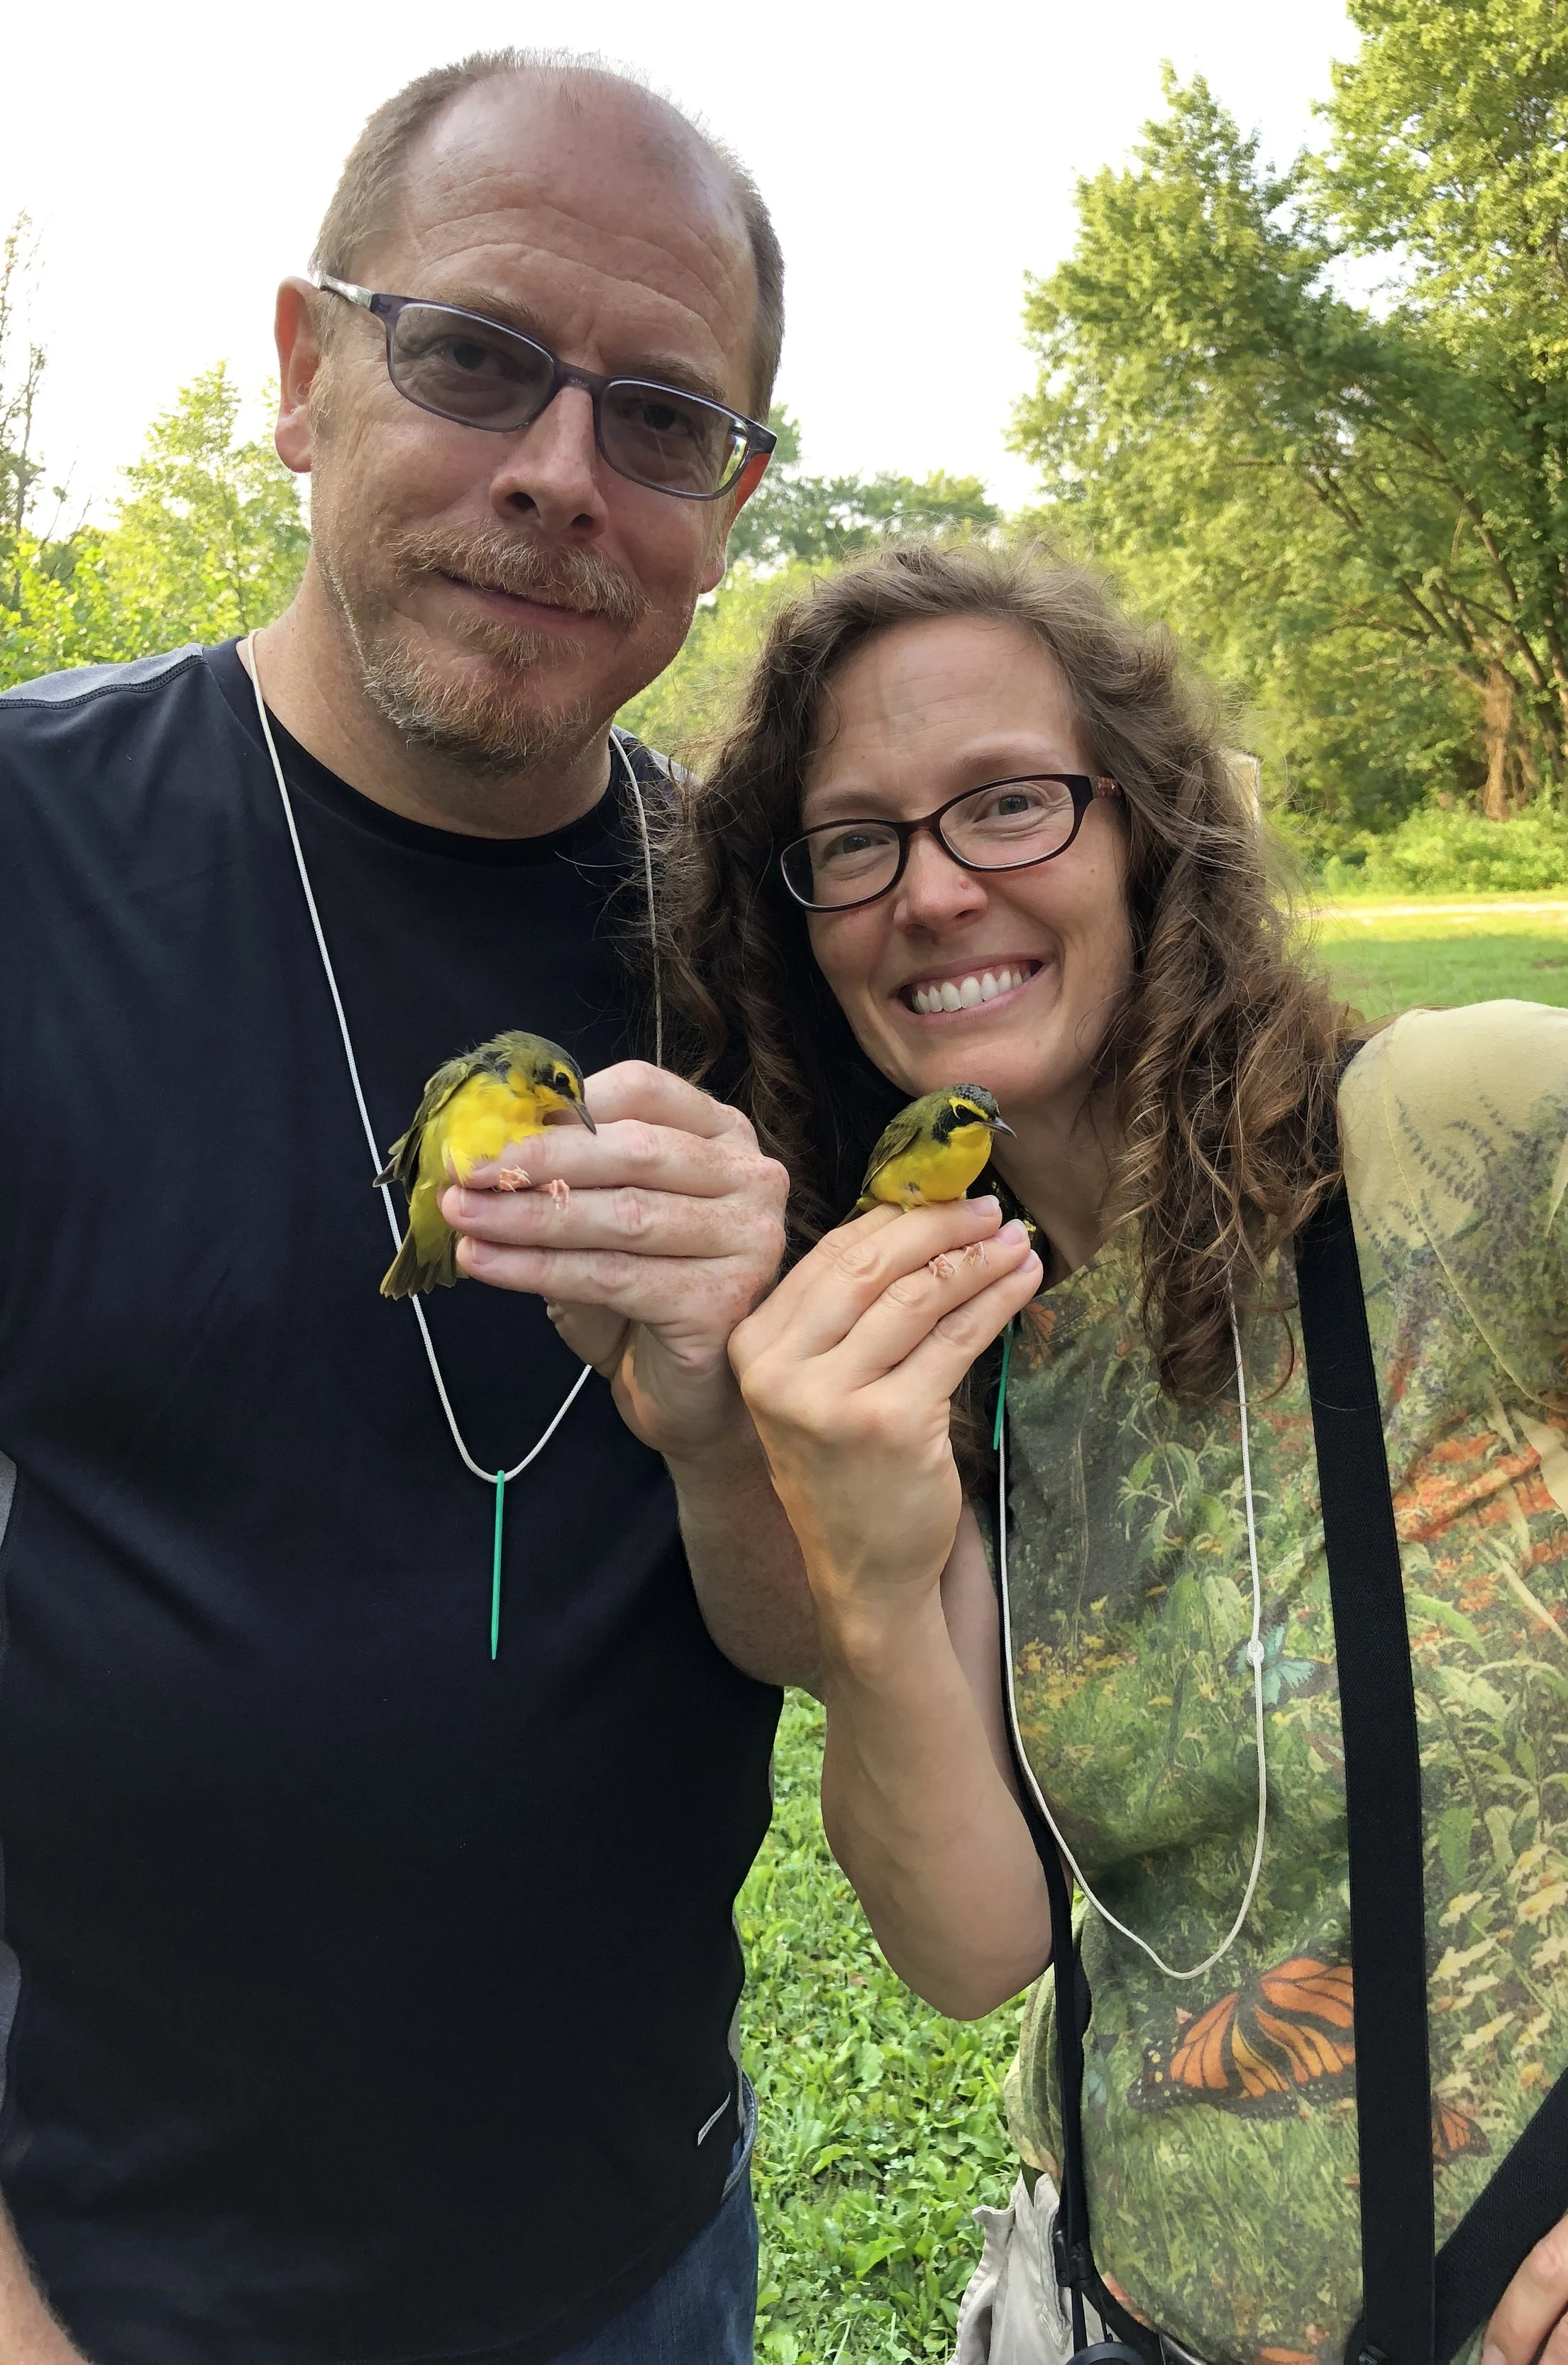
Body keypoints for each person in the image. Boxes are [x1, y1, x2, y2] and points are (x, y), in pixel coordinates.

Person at [664, 542, 1568, 2365]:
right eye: (852, 842)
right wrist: (868, 1572)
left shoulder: (1484, 1135)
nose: (931, 892)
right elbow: (967, 1946)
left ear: (1148, 825)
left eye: (1007, 806)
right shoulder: (942, 1324)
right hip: (1085, 2312)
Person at [0, 50, 819, 2365]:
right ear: (300, 372)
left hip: (641, 2269)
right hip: (109, 2290)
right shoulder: (31, 859)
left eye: (664, 419)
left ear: (733, 501)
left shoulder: (767, 938)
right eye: (472, 358)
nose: (562, 473)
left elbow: (852, 1609)